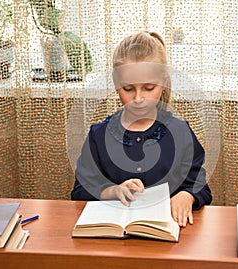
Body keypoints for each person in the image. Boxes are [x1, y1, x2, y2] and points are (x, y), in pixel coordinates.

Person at [71, 31, 212, 227]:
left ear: (163, 82)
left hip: (169, 239)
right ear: (115, 82)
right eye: (128, 89)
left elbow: (200, 186)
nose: (138, 99)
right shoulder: (99, 135)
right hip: (112, 243)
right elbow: (80, 191)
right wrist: (114, 191)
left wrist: (187, 196)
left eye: (148, 88)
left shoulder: (181, 133)